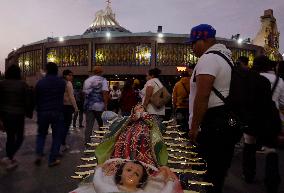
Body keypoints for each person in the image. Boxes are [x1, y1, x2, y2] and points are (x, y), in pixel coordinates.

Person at [187, 24, 236, 193]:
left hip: (213, 123)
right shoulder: (226, 58)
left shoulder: (208, 59)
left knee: (207, 173)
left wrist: (194, 127)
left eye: (194, 43)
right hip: (224, 121)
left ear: (205, 39)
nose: (192, 47)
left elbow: (203, 96)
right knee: (217, 173)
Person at [249, 55, 283, 193]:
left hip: (253, 116)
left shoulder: (251, 79)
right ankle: (272, 182)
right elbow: (283, 102)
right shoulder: (279, 80)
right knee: (271, 149)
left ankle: (249, 174)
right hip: (271, 118)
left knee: (249, 143)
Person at [95, 104, 168, 167]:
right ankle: (124, 160)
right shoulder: (128, 118)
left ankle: (144, 161)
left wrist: (146, 118)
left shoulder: (150, 117)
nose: (138, 109)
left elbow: (159, 126)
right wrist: (131, 119)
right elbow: (118, 126)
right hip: (129, 132)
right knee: (124, 138)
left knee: (142, 137)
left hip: (145, 132)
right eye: (136, 108)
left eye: (141, 107)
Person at [70, 158, 183, 193]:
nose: (133, 173)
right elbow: (97, 182)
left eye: (137, 173)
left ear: (140, 181)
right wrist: (99, 169)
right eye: (129, 170)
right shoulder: (110, 189)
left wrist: (169, 179)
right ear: (120, 174)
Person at [0, 65, 31, 169]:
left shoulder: (2, 83)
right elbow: (28, 101)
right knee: (20, 137)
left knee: (10, 137)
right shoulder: (23, 84)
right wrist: (29, 113)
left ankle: (10, 158)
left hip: (5, 114)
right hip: (18, 114)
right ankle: (9, 157)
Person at [34, 62, 66, 167]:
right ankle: (52, 159)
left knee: (41, 134)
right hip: (57, 111)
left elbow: (36, 98)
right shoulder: (61, 82)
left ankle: (39, 154)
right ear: (56, 70)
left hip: (43, 111)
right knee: (57, 136)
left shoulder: (40, 83)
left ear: (46, 70)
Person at [83, 66, 109, 144]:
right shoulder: (103, 80)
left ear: (93, 72)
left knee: (89, 126)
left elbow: (84, 94)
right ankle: (102, 141)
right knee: (101, 124)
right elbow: (105, 93)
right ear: (101, 72)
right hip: (99, 106)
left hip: (89, 106)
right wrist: (106, 105)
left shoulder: (87, 80)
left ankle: (87, 142)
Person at [61, 69, 78, 151]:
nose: (71, 77)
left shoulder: (60, 82)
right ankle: (63, 143)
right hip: (67, 107)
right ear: (65, 75)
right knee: (66, 125)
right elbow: (71, 96)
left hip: (60, 106)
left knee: (61, 125)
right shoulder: (68, 83)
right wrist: (75, 107)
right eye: (70, 75)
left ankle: (61, 142)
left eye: (72, 75)